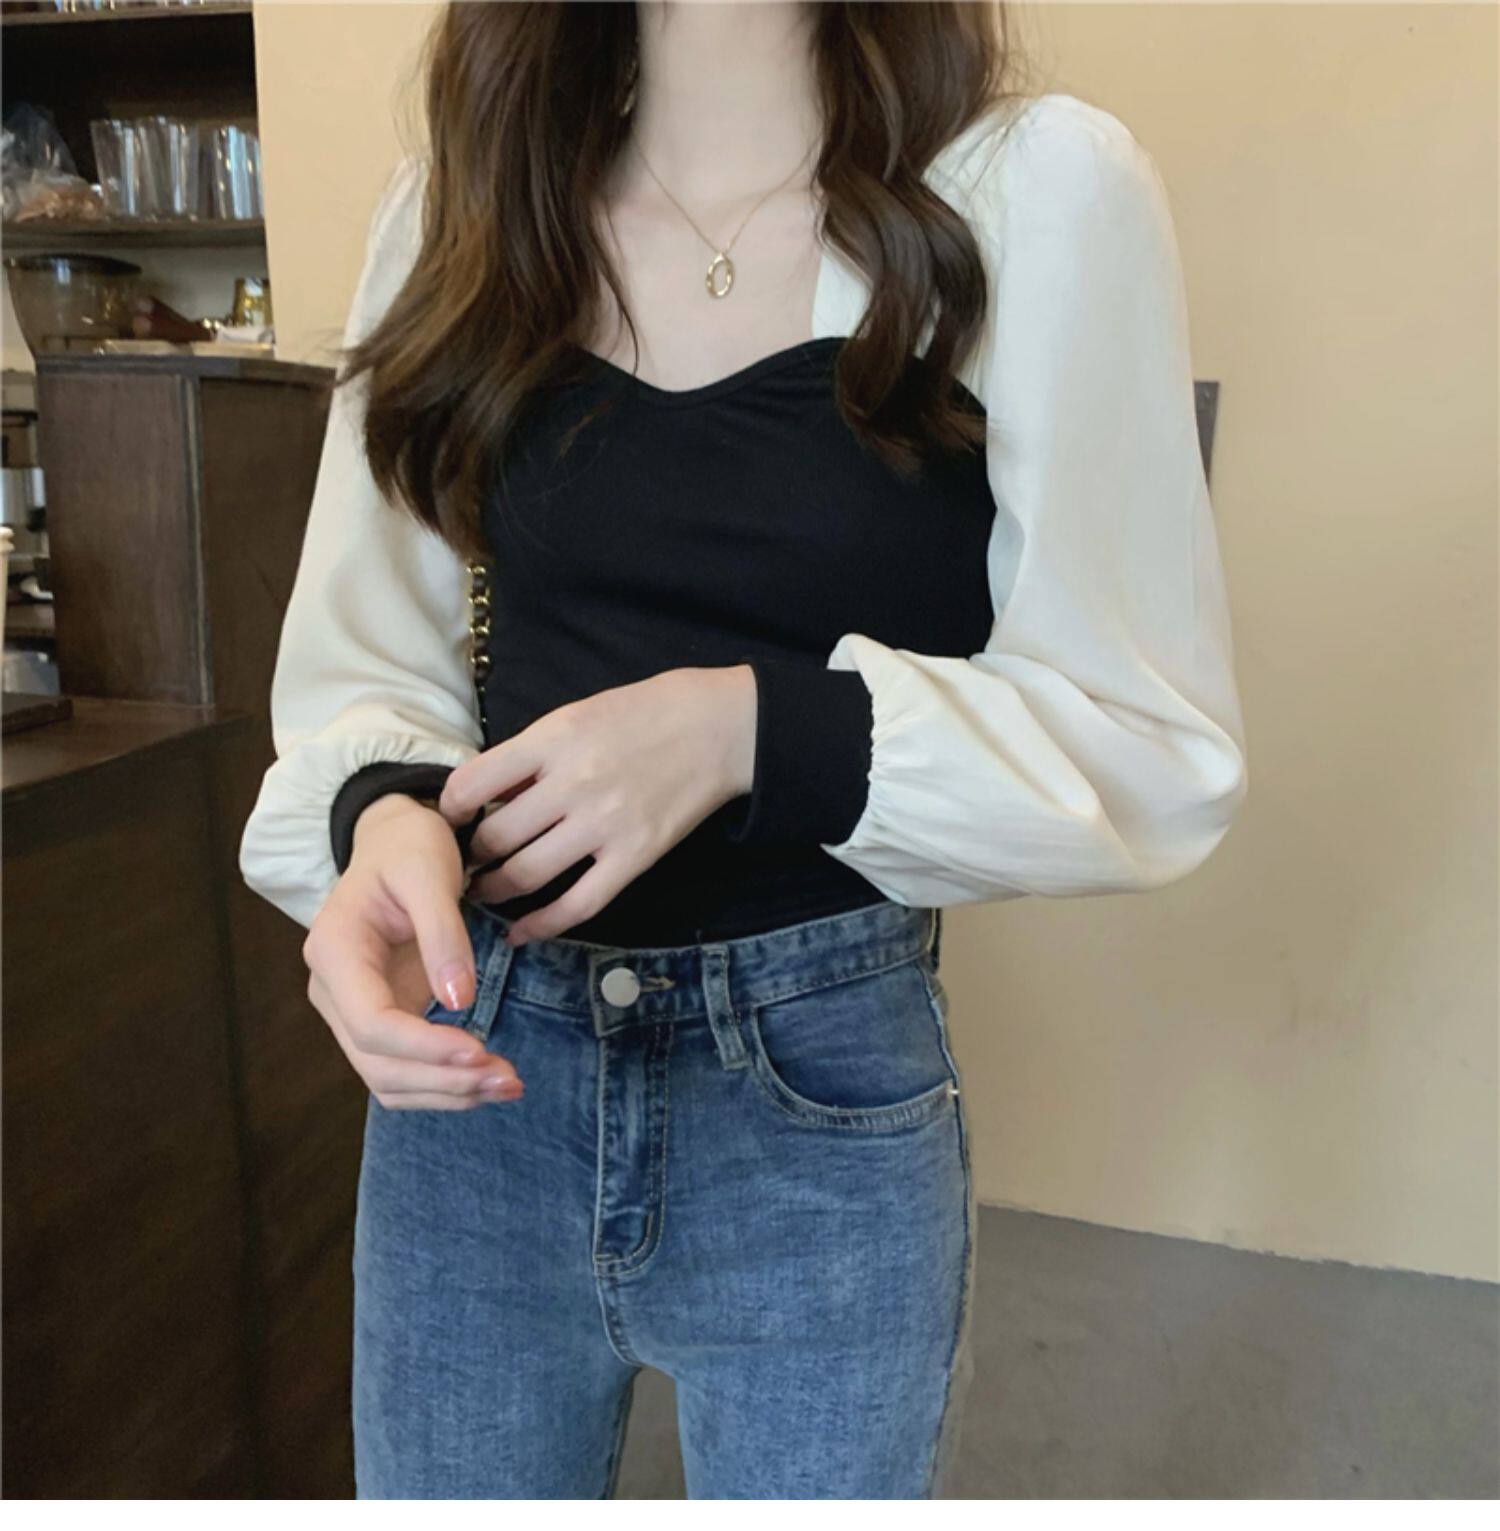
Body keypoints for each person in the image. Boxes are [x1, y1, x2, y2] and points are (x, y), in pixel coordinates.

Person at [238, 0, 1248, 1501]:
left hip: (815, 1096)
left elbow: (1150, 741)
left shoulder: (1035, 191)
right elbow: (365, 672)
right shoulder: (466, 203)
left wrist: (748, 730)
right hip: (479, 1069)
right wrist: (383, 826)